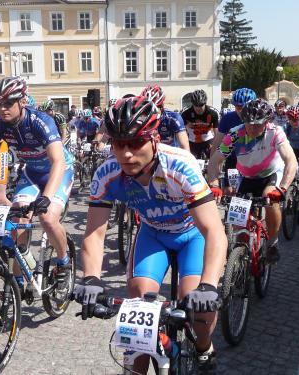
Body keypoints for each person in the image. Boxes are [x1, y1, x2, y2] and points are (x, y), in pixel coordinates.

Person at [73, 96, 227, 374]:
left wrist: (210, 285)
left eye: (135, 143)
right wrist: (91, 277)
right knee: (138, 307)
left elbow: (213, 230)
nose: (126, 154)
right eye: (118, 144)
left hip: (192, 236)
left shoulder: (179, 165)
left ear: (155, 139)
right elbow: (95, 234)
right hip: (153, 234)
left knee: (197, 306)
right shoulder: (107, 173)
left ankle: (204, 347)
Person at [0, 76, 74, 290]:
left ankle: (64, 261)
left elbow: (58, 161)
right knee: (17, 220)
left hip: (59, 171)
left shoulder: (40, 121)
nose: (2, 109)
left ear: (22, 101)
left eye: (8, 103)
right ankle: (19, 282)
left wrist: (46, 198)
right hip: (32, 173)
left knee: (48, 219)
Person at [207, 99, 298, 264]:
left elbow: (291, 161)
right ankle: (240, 255)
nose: (252, 128)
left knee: (270, 198)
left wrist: (283, 189)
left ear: (266, 122)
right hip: (246, 176)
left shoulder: (276, 132)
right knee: (238, 222)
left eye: (258, 124)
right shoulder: (235, 133)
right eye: (249, 124)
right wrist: (214, 185)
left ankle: (273, 244)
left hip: (270, 174)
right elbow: (215, 161)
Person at [212, 88, 257, 194]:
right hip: (233, 158)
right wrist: (214, 168)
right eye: (238, 107)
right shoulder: (227, 118)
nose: (240, 110)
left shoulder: (258, 118)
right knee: (229, 191)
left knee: (254, 195)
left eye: (244, 107)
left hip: (254, 160)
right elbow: (216, 143)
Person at [141, 84, 190, 151]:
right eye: (147, 109)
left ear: (161, 107)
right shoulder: (142, 119)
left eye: (154, 109)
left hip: (172, 155)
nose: (150, 113)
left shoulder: (173, 118)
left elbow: (184, 147)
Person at [181, 89, 219, 160]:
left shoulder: (212, 113)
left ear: (205, 103)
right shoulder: (186, 114)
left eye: (201, 105)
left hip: (208, 140)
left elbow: (216, 133)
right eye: (196, 105)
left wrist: (216, 147)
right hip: (192, 141)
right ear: (192, 104)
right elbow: (182, 133)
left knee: (212, 160)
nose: (198, 108)